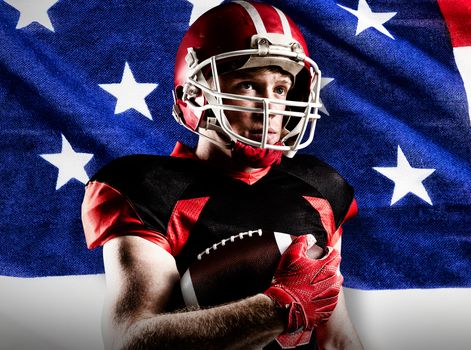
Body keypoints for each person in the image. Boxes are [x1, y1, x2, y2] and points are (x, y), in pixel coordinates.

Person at [80, 1, 363, 349]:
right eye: (248, 86)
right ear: (195, 94)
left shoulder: (320, 187)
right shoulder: (148, 189)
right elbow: (132, 340)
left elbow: (335, 339)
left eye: (280, 89)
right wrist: (277, 308)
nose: (271, 107)